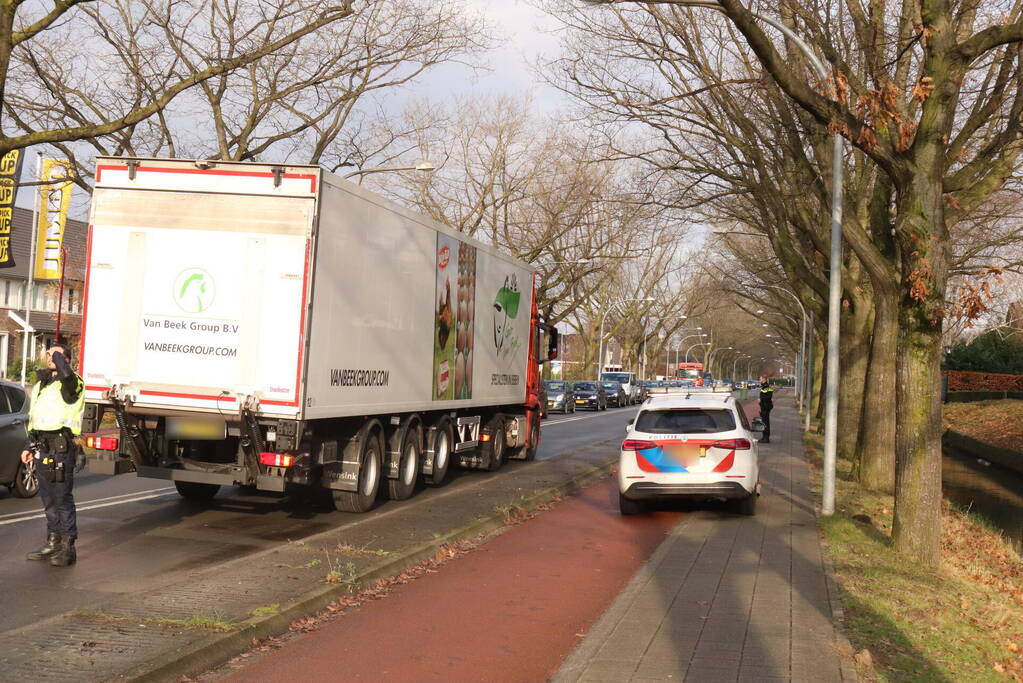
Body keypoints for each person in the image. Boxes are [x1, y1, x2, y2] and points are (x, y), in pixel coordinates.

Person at [22, 343, 86, 567]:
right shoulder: (42, 383)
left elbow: (68, 383)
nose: (50, 357)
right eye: (49, 353)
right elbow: (35, 417)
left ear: (65, 359)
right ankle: (53, 541)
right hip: (43, 446)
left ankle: (68, 548)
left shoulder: (73, 382)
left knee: (62, 498)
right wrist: (29, 446)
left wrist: (60, 357)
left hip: (61, 447)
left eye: (56, 354)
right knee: (48, 498)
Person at [758, 375, 774, 443]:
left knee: (765, 423)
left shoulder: (766, 387)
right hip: (765, 407)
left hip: (766, 407)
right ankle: (764, 437)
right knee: (765, 422)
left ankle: (766, 438)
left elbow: (768, 397)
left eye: (760, 379)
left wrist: (760, 400)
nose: (759, 380)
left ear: (764, 379)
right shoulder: (765, 387)